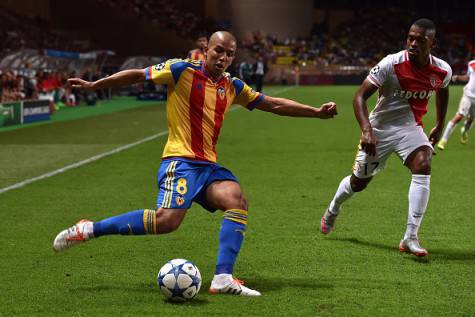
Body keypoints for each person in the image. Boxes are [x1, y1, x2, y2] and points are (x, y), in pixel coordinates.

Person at [53, 31, 337, 296]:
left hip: (207, 167)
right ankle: (90, 228)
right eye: (218, 51)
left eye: (229, 54)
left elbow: (272, 103)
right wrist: (96, 84)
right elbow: (139, 75)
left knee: (236, 199)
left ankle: (223, 278)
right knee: (167, 222)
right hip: (180, 161)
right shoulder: (182, 70)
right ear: (206, 50)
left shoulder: (232, 85)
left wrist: (316, 113)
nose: (223, 58)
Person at [320, 19, 451, 257]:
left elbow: (443, 90)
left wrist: (440, 125)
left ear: (432, 43)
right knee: (359, 182)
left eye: (420, 40)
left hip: (410, 129)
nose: (413, 43)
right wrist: (367, 130)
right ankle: (333, 208)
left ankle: (410, 237)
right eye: (410, 38)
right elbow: (359, 97)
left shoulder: (442, 69)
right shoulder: (391, 63)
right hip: (379, 130)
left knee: (423, 164)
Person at [437, 57, 475, 149]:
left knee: (471, 119)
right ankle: (443, 140)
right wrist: (458, 77)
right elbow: (468, 77)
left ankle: (464, 131)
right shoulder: (472, 64)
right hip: (468, 95)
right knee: (460, 115)